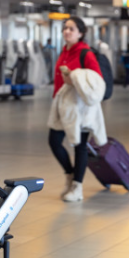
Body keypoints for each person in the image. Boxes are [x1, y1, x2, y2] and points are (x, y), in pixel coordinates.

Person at [47, 17, 107, 203]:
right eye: (65, 28)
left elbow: (97, 79)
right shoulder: (64, 51)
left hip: (80, 108)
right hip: (62, 105)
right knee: (54, 141)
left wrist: (75, 78)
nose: (67, 32)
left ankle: (77, 187)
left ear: (80, 33)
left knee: (80, 146)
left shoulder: (85, 53)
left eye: (71, 29)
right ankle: (70, 175)